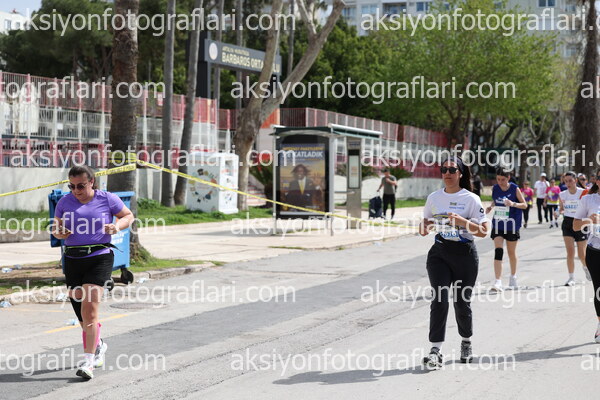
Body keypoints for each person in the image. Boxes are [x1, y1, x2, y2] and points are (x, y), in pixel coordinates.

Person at [52, 165, 134, 380]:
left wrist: (117, 226)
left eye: (80, 186)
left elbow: (128, 215)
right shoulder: (64, 202)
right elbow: (55, 229)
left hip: (99, 256)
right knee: (81, 314)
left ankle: (88, 361)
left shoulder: (107, 199)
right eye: (71, 186)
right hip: (72, 259)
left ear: (91, 182)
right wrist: (60, 233)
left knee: (89, 310)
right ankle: (98, 345)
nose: (76, 190)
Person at [419, 157, 489, 370]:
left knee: (461, 302)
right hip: (439, 253)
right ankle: (435, 350)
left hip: (464, 255)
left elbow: (483, 231)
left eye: (452, 169)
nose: (447, 173)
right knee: (439, 300)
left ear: (460, 173)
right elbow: (423, 229)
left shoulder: (471, 199)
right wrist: (425, 226)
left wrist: (463, 222)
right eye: (444, 169)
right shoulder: (434, 198)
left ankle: (466, 341)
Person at [486, 168, 527, 291]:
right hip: (498, 224)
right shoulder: (495, 188)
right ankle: (498, 281)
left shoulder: (514, 188)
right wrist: (491, 206)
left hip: (512, 225)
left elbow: (524, 205)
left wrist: (513, 204)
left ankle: (513, 277)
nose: (500, 182)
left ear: (508, 178)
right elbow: (496, 200)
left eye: (503, 179)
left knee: (511, 252)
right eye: (498, 179)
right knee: (498, 251)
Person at [573, 175, 600, 343]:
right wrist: (589, 220)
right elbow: (575, 225)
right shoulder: (588, 200)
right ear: (598, 181)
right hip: (595, 251)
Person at [558, 171, 591, 286]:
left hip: (580, 222)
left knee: (581, 254)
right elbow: (561, 208)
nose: (568, 183)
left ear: (575, 180)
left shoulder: (583, 192)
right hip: (567, 223)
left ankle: (586, 267)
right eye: (566, 181)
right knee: (570, 252)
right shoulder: (562, 194)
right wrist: (558, 212)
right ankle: (571, 277)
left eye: (570, 181)